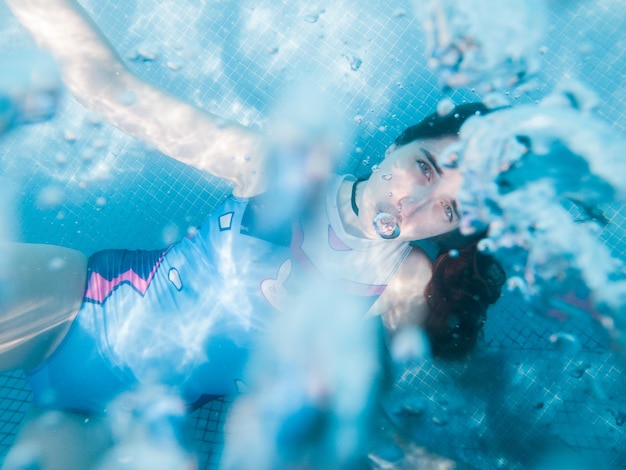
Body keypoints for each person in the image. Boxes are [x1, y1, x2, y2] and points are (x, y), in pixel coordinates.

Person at [1, 0, 504, 414]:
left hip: (137, 419)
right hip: (76, 307)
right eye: (426, 168)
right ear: (398, 145)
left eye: (449, 210)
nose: (415, 203)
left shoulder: (409, 283)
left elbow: (402, 399)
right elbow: (113, 89)